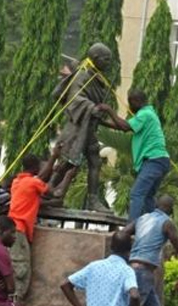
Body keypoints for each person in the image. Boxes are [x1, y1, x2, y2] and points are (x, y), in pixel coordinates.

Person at [48, 43, 113, 212]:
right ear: (96, 59)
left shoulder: (97, 78)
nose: (109, 63)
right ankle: (48, 190)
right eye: (106, 59)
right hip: (76, 127)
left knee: (95, 162)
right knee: (66, 163)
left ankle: (93, 199)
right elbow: (75, 99)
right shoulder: (83, 76)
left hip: (89, 127)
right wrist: (92, 108)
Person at [97, 89, 170, 221]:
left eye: (130, 103)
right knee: (148, 197)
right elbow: (122, 127)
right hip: (160, 161)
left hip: (154, 160)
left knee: (137, 193)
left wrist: (108, 110)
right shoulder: (149, 114)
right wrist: (102, 122)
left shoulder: (145, 114)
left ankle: (130, 229)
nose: (129, 106)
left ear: (136, 101)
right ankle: (151, 226)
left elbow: (125, 127)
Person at [123, 195, 178, 306]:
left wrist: (130, 252)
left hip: (134, 266)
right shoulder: (167, 223)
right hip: (144, 270)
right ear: (171, 210)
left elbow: (124, 233)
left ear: (157, 205)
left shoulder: (142, 218)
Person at [9, 143, 62, 303]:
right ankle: (16, 301)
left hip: (13, 228)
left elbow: (36, 191)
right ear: (35, 168)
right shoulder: (32, 182)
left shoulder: (17, 182)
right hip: (19, 230)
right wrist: (64, 174)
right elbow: (52, 192)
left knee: (16, 264)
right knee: (21, 267)